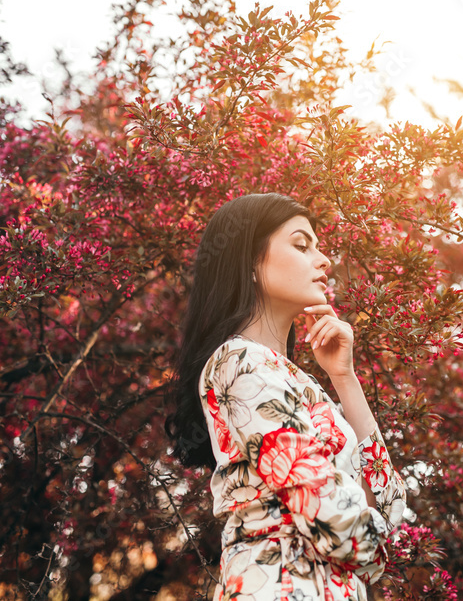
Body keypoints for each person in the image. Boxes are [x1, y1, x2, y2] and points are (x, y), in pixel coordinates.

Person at [165, 192, 408, 601]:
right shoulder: (238, 362)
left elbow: (390, 504)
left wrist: (344, 377)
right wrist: (377, 553)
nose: (324, 259)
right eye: (301, 244)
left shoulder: (298, 381)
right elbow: (337, 524)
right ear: (252, 263)